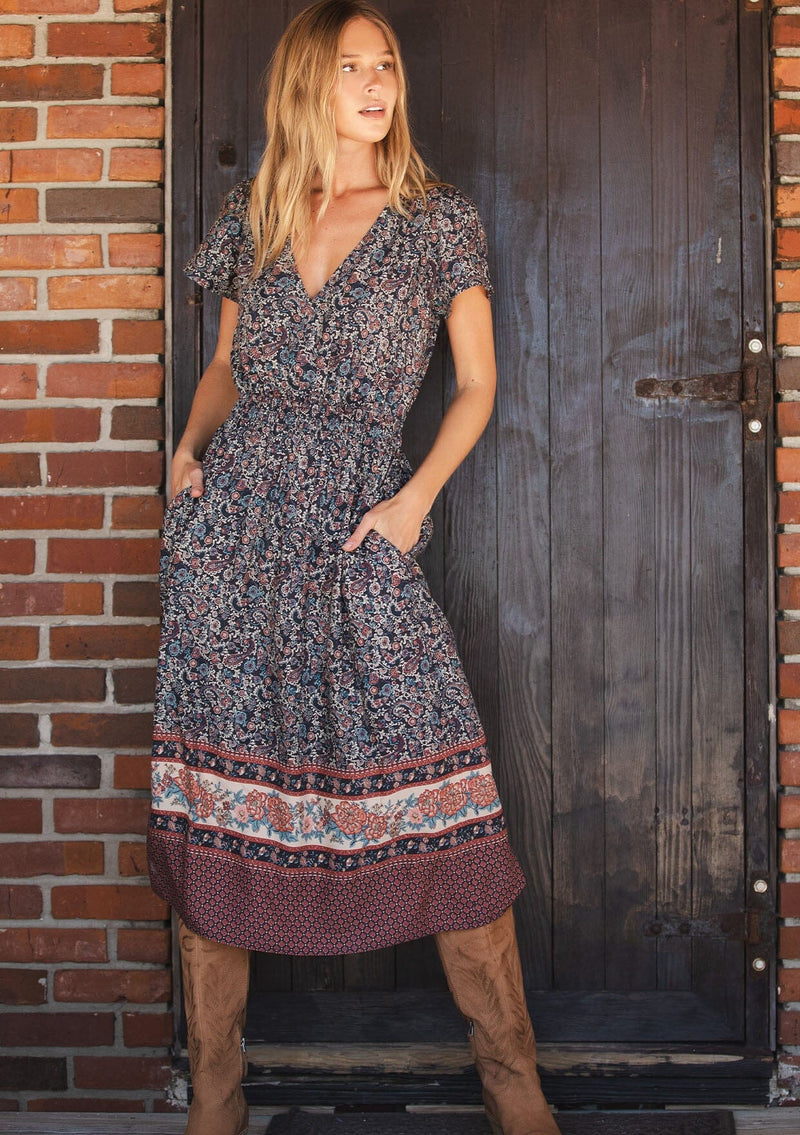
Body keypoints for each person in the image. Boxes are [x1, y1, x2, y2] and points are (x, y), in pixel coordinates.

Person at [146, 2, 561, 1133]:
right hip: (232, 541)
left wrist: (410, 501)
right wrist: (187, 453)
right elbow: (228, 368)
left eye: (385, 67)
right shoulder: (252, 217)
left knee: (446, 813)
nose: (375, 85)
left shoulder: (436, 222)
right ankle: (215, 1102)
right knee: (219, 816)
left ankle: (517, 1097)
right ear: (304, 85)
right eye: (349, 68)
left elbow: (474, 386)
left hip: (356, 532)